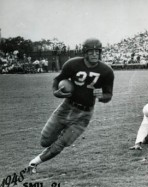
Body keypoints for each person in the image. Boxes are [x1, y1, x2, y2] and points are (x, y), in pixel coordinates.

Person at [27, 38, 115, 173]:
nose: (94, 54)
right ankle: (59, 134)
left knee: (60, 145)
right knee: (45, 141)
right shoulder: (73, 64)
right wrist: (56, 92)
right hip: (66, 107)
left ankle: (35, 162)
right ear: (84, 52)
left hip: (84, 114)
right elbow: (57, 79)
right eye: (91, 51)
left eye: (97, 51)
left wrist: (101, 96)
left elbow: (108, 95)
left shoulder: (106, 71)